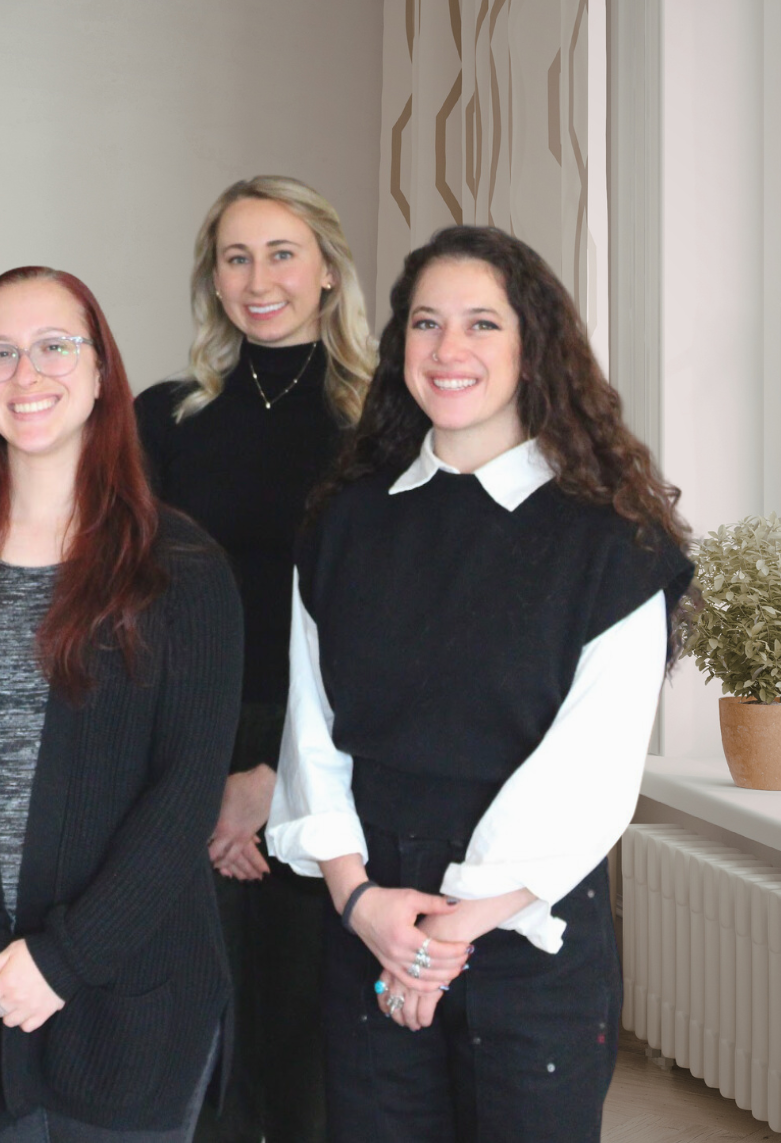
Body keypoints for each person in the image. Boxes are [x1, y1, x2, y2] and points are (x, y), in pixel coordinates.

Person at [266, 225, 693, 1142]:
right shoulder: (344, 523)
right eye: (426, 323)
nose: (447, 349)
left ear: (534, 348)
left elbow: (590, 771)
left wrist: (447, 934)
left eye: (482, 324)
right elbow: (310, 735)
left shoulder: (613, 543)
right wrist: (362, 904)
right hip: (374, 919)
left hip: (528, 932)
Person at [0, 267, 244, 1143]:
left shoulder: (183, 569)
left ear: (102, 370)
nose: (26, 374)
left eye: (55, 347)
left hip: (132, 1010)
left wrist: (63, 959)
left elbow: (184, 794)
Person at [134, 176, 374, 1143]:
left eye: (282, 254)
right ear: (214, 279)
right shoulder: (163, 418)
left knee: (307, 1042)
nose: (259, 278)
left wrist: (276, 776)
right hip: (186, 741)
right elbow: (138, 606)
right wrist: (205, 779)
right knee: (200, 1037)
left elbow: (387, 620)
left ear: (327, 271)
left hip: (332, 749)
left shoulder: (386, 423)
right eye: (236, 258)